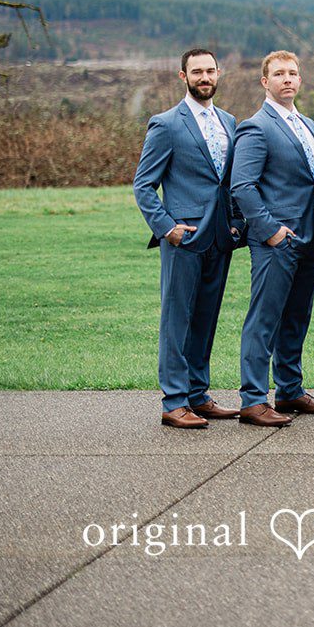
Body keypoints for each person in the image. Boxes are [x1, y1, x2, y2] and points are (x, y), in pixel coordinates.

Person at [132, 47, 245, 428]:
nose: (204, 77)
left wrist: (236, 224)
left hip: (220, 237)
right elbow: (144, 185)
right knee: (177, 319)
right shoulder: (165, 124)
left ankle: (198, 394)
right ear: (183, 76)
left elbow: (229, 182)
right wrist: (168, 228)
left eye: (210, 71)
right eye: (196, 71)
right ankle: (174, 402)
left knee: (206, 318)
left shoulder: (230, 121)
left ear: (219, 74)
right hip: (184, 238)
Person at [230, 51, 314, 426]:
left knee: (297, 317)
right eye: (279, 74)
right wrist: (270, 230)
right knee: (265, 318)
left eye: (293, 73)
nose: (287, 79)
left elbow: (313, 180)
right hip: (277, 240)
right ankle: (253, 399)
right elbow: (242, 186)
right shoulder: (255, 127)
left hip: (310, 238)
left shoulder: (306, 123)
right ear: (265, 82)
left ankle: (289, 391)